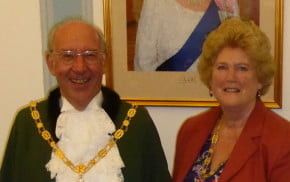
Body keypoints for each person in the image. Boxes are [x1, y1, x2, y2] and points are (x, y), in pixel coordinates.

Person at [0, 18, 171, 182]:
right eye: (68, 56)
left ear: (104, 62)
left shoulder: (137, 122)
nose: (80, 67)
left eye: (90, 55)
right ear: (51, 63)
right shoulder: (27, 124)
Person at [172, 17, 290, 181]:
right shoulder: (190, 130)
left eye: (242, 68)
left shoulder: (283, 139)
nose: (231, 77)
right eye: (222, 67)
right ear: (210, 76)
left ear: (260, 78)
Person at [134, 0, 259, 71]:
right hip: (169, 100)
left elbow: (235, 58)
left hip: (215, 101)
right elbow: (143, 64)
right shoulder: (156, 3)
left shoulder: (227, 3)